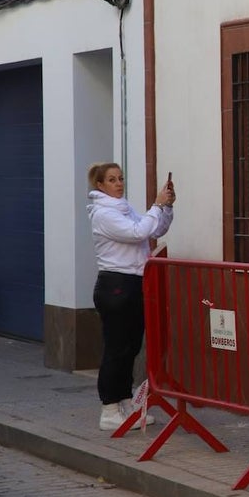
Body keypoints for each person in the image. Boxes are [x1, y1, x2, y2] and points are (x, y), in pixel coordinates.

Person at [87, 163, 176, 431]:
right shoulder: (104, 213)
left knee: (130, 348)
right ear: (100, 185)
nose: (119, 183)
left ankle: (125, 403)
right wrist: (156, 206)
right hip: (116, 284)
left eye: (121, 178)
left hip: (133, 283)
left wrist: (166, 207)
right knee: (116, 347)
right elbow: (138, 233)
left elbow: (155, 230)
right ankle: (109, 409)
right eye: (112, 180)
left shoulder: (123, 209)